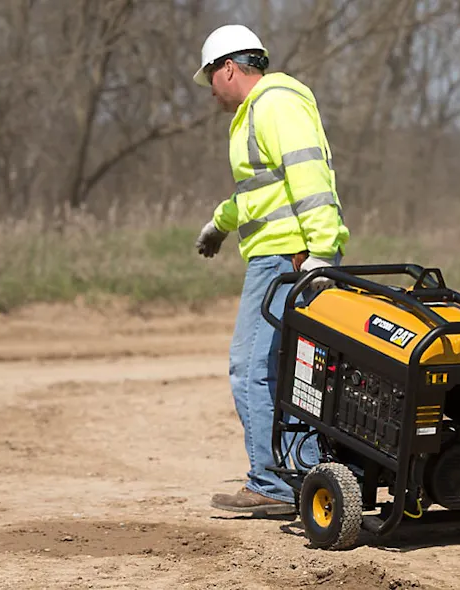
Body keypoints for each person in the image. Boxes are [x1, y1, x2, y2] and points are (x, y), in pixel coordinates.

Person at [192, 24, 350, 516]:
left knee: (254, 369)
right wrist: (220, 225)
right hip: (279, 254)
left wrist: (321, 251)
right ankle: (295, 474)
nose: (210, 91)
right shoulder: (256, 112)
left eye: (210, 78)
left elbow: (308, 176)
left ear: (229, 69)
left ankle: (274, 482)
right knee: (287, 370)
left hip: (290, 256)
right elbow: (260, 192)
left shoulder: (275, 104)